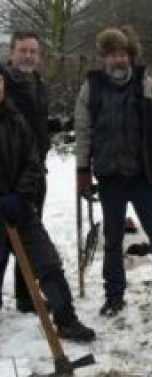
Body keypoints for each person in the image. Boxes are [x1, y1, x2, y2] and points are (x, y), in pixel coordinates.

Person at [75, 26, 152, 316]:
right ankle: (114, 297)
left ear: (130, 56)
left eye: (123, 54)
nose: (118, 60)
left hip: (143, 177)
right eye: (112, 55)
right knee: (112, 241)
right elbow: (83, 130)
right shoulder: (92, 88)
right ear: (104, 59)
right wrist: (82, 171)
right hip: (110, 178)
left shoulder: (147, 86)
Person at [0, 72, 95, 342]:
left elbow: (32, 162)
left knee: (47, 262)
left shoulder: (15, 120)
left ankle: (66, 320)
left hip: (18, 208)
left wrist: (20, 195)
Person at [0, 31, 72, 313]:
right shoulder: (5, 83)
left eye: (33, 51)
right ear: (12, 51)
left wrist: (56, 126)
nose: (28, 56)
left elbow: (33, 123)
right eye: (23, 50)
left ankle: (26, 295)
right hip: (8, 177)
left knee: (29, 235)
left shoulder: (36, 83)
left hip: (35, 172)